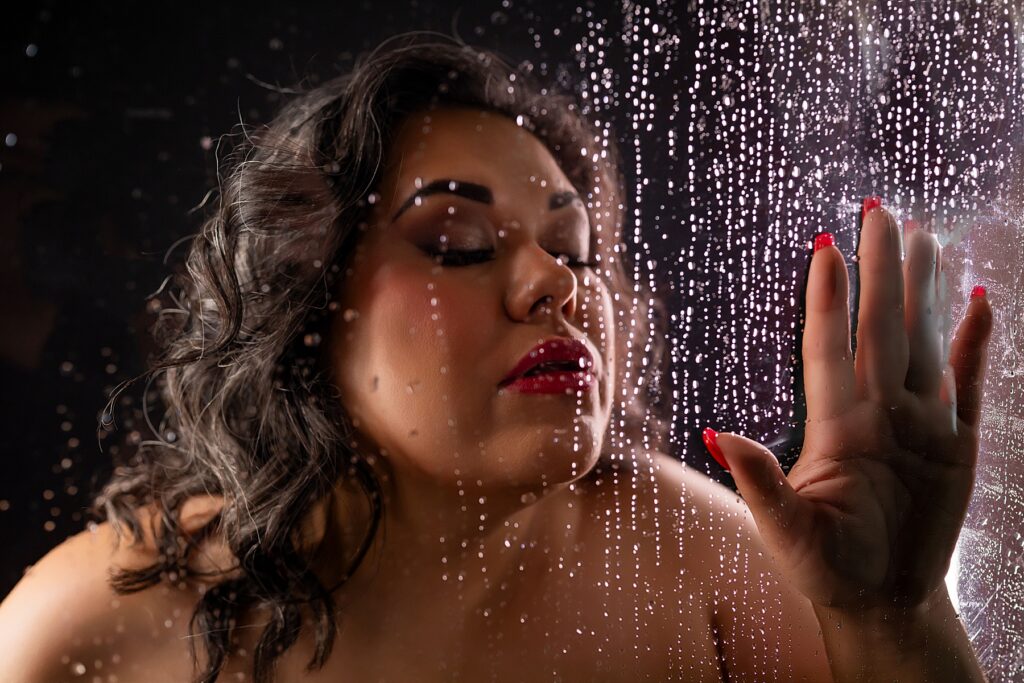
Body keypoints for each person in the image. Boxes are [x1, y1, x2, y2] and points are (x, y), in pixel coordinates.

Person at [0, 34, 993, 683]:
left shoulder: (698, 557)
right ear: (307, 305)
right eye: (457, 243)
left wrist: (890, 618)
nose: (557, 288)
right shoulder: (88, 629)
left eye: (575, 252)